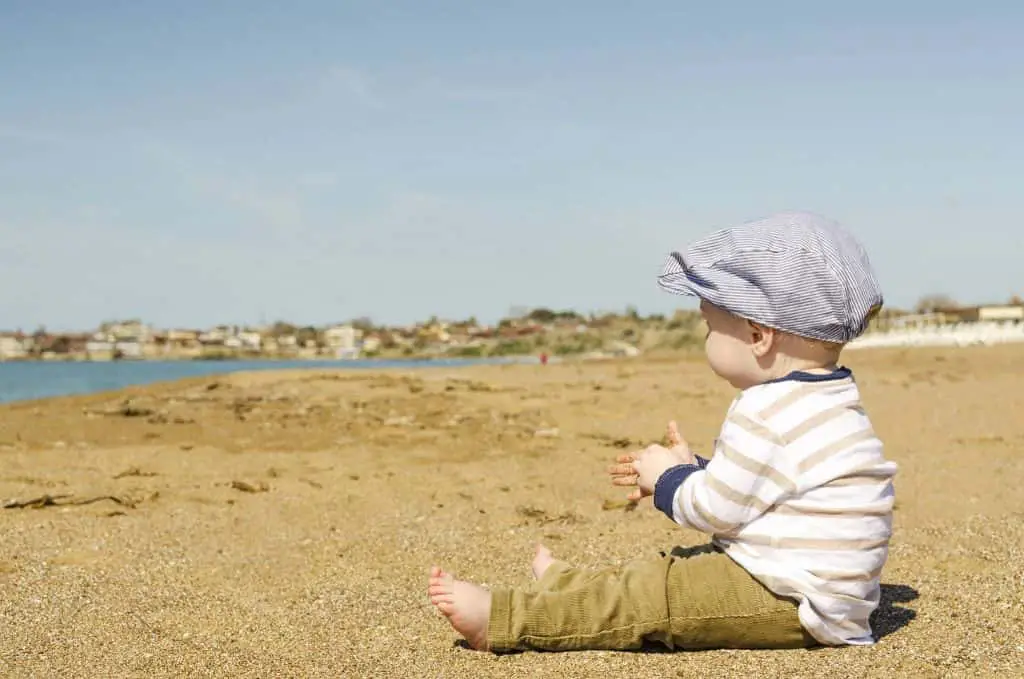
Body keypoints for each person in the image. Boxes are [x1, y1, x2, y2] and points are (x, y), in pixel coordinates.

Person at [427, 211, 897, 652]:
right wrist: (695, 469)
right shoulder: (831, 398)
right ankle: (571, 587)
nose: (706, 338)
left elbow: (716, 511)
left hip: (792, 600)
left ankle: (506, 619)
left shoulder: (763, 409)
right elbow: (769, 488)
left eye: (711, 327)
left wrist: (667, 482)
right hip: (827, 594)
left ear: (758, 335)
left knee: (655, 595)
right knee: (670, 569)